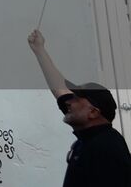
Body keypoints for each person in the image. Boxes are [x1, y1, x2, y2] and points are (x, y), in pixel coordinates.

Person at [26, 29, 130, 186]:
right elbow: (60, 88)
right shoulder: (88, 139)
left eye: (75, 98)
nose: (68, 101)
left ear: (93, 112)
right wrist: (39, 50)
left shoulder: (106, 147)